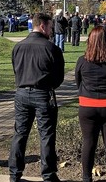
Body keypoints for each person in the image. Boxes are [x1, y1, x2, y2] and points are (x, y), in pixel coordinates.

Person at [8, 13, 65, 182]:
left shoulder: (18, 47)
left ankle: (14, 174)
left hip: (22, 92)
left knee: (20, 133)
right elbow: (59, 76)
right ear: (42, 26)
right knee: (46, 134)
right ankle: (48, 175)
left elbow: (15, 69)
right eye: (50, 27)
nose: (51, 30)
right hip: (43, 93)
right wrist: (49, 85)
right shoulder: (51, 48)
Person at [75, 26, 106, 182]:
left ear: (90, 41)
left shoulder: (82, 61)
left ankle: (86, 178)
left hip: (87, 106)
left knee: (88, 142)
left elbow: (78, 83)